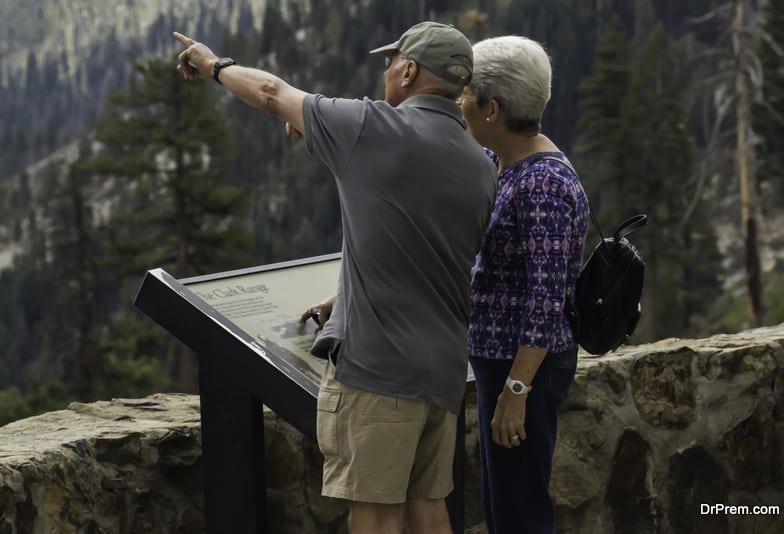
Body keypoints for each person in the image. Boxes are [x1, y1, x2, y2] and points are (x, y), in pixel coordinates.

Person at [174, 21, 497, 534]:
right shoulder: (480, 164)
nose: (387, 71)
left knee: (375, 514)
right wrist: (345, 295)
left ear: (409, 70)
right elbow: (417, 244)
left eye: (391, 63)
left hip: (378, 369)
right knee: (428, 508)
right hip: (442, 368)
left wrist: (215, 66)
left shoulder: (372, 128)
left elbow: (271, 92)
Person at [458, 36, 590, 534]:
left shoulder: (542, 185)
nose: (459, 101)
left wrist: (515, 391)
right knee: (503, 506)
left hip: (524, 372)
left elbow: (546, 300)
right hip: (506, 367)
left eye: (465, 92)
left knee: (519, 513)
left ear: (491, 109)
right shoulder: (507, 163)